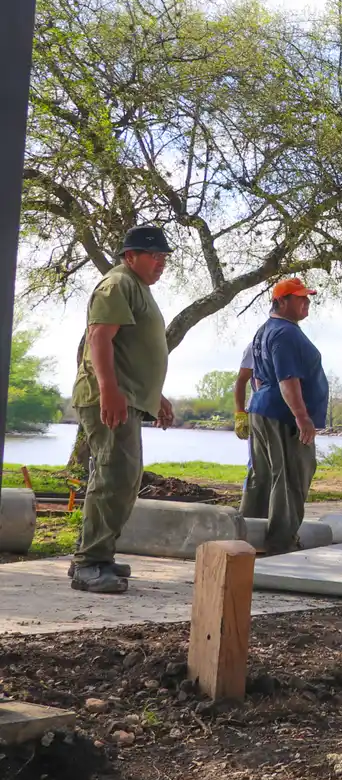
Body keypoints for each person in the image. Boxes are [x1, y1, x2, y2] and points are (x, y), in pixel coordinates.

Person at [69, 225, 175, 594]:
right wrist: (108, 390)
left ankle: (100, 554)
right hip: (109, 398)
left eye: (164, 258)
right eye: (154, 256)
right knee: (114, 476)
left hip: (129, 397)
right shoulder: (117, 284)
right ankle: (90, 563)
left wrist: (155, 395)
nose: (161, 263)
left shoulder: (138, 288)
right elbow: (100, 338)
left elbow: (134, 351)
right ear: (131, 256)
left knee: (125, 478)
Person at [246, 278, 329, 554]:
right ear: (281, 301)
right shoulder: (286, 333)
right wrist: (302, 416)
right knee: (290, 476)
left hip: (262, 407)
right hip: (283, 415)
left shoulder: (265, 331)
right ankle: (281, 542)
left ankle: (247, 538)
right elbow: (287, 379)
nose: (307, 302)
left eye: (308, 297)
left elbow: (257, 379)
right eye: (300, 298)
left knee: (262, 476)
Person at [232, 337, 267, 519]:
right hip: (259, 412)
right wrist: (239, 413)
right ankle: (247, 518)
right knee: (257, 466)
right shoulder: (255, 345)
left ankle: (272, 518)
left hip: (285, 415)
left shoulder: (293, 341)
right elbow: (241, 381)